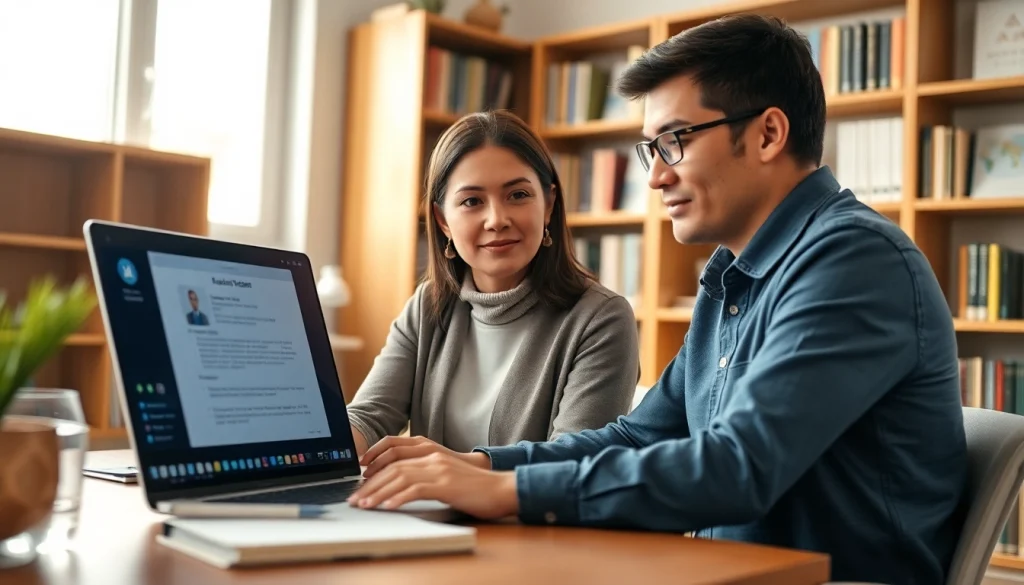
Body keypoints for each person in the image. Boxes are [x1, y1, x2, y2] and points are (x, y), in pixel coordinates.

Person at [346, 14, 968, 585]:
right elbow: (638, 436)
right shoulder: (732, 278)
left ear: (769, 133)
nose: (654, 175)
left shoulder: (854, 261)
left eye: (675, 140)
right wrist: (482, 466)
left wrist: (505, 492)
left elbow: (738, 466)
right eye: (652, 148)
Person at [343, 110, 640, 458]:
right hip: (423, 511)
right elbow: (368, 418)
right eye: (472, 201)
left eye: (518, 195)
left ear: (549, 204)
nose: (497, 220)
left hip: (528, 514)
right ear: (443, 221)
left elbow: (572, 464)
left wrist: (451, 469)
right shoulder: (429, 305)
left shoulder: (601, 318)